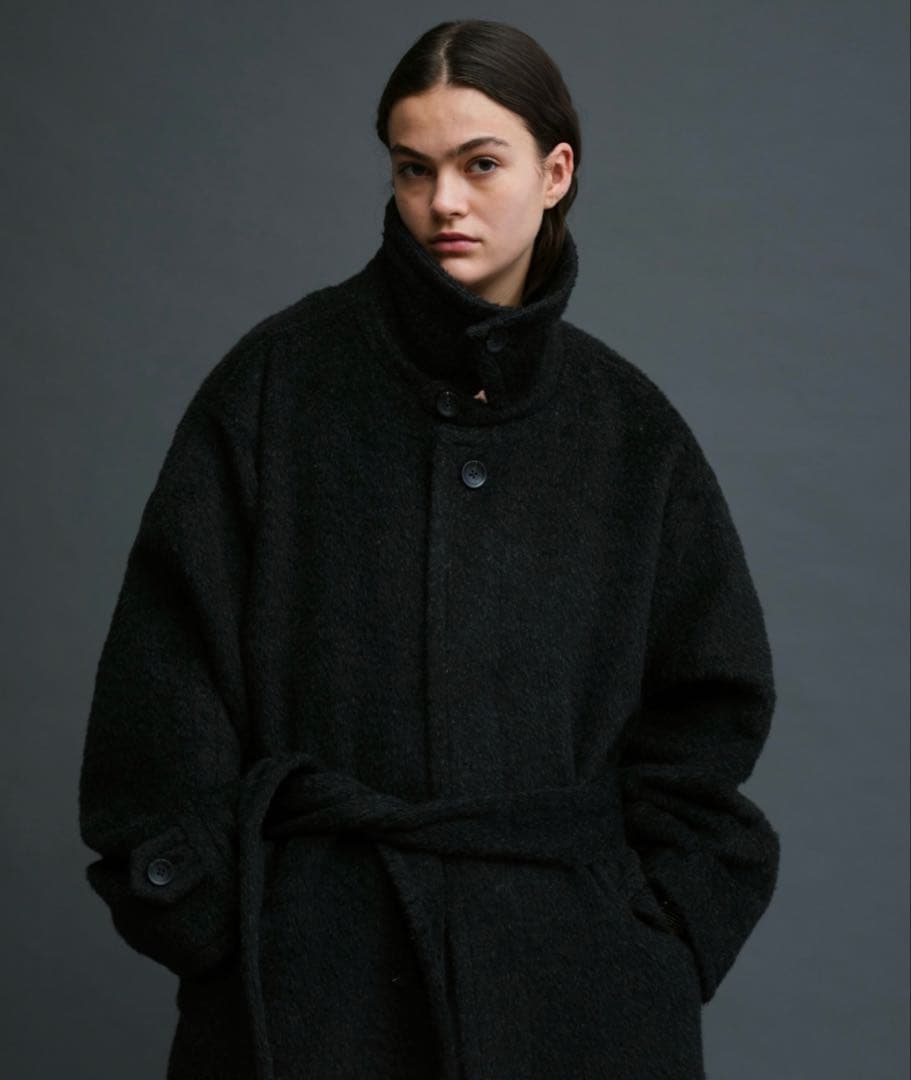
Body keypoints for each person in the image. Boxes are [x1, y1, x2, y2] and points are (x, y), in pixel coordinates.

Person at [78, 18, 780, 1080]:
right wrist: (215, 920)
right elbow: (159, 681)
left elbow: (711, 704)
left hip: (578, 1002)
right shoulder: (276, 387)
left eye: (479, 164)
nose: (443, 201)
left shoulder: (628, 429)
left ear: (554, 173)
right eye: (415, 168)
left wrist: (662, 930)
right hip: (315, 993)